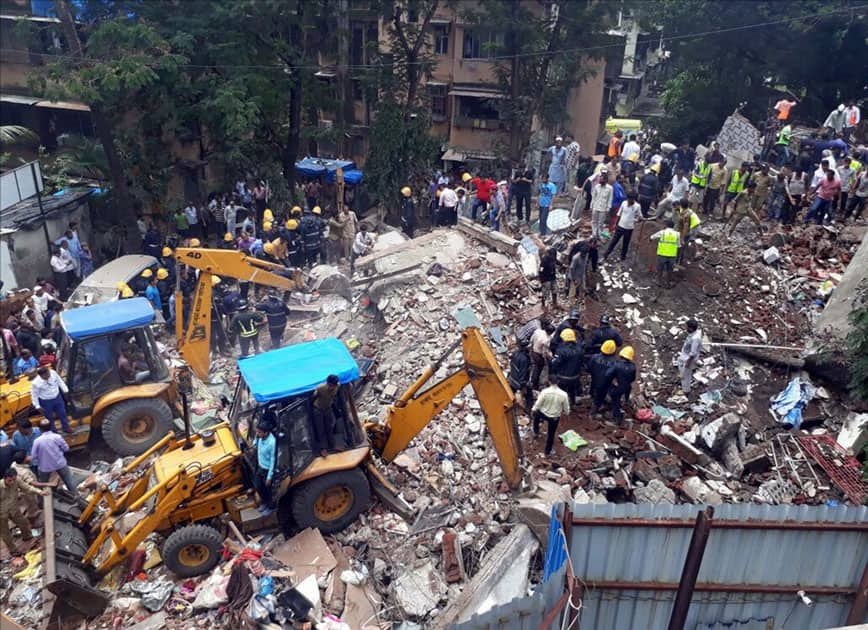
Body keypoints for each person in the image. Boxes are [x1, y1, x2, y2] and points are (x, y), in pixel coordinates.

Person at [1, 467, 46, 556]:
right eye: (10, 480)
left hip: (14, 509)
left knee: (24, 523)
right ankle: (13, 550)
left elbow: (27, 488)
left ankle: (27, 537)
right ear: (5, 478)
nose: (12, 482)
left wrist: (40, 492)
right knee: (5, 533)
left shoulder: (17, 480)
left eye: (14, 480)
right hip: (1, 513)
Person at [30, 420, 76, 491]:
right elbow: (66, 448)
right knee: (69, 481)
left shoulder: (37, 441)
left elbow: (33, 456)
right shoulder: (57, 437)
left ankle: (46, 496)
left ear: (40, 429)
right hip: (60, 464)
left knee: (44, 484)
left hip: (45, 467)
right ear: (51, 427)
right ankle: (76, 495)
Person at [531, 376, 570, 457]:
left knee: (536, 416)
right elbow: (566, 409)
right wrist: (566, 413)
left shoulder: (545, 392)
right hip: (554, 417)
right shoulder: (564, 394)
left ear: (549, 382)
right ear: (558, 382)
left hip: (543, 413)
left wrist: (533, 409)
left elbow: (538, 404)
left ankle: (536, 431)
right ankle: (547, 451)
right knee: (551, 434)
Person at [604, 190, 642, 262]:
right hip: (620, 226)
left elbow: (640, 217)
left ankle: (622, 258)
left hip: (629, 228)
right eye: (628, 199)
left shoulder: (637, 206)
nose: (629, 200)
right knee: (613, 242)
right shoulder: (624, 203)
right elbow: (619, 214)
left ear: (634, 199)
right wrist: (616, 224)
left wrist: (636, 220)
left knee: (625, 244)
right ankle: (605, 255)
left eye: (631, 199)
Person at [30, 366, 70, 433]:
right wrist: (37, 406)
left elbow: (60, 382)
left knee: (62, 413)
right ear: (40, 376)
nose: (48, 376)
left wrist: (66, 390)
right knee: (49, 417)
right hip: (46, 402)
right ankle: (53, 431)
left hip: (57, 398)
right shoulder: (35, 383)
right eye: (45, 376)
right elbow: (34, 395)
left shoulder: (53, 373)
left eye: (48, 374)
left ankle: (66, 428)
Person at [603, 346, 636, 424]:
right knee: (623, 399)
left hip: (618, 387)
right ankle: (624, 407)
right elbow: (633, 378)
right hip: (627, 387)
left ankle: (616, 419)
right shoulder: (633, 366)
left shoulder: (617, 365)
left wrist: (613, 380)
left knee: (615, 402)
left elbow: (607, 374)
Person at [550, 328, 583, 405]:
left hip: (563, 377)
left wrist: (551, 359)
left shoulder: (561, 350)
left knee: (560, 392)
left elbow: (555, 364)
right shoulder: (579, 349)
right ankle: (573, 403)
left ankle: (560, 406)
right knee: (572, 391)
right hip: (575, 377)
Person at [312, 375, 340, 457]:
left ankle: (333, 445)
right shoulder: (320, 388)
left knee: (330, 427)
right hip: (318, 410)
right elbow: (313, 398)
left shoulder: (337, 386)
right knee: (321, 429)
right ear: (327, 383)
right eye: (330, 386)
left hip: (328, 409)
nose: (332, 388)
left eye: (333, 386)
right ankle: (323, 448)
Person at [252, 419, 276, 515]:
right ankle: (265, 503)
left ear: (266, 433)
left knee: (268, 490)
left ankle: (271, 507)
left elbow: (273, 461)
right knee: (258, 486)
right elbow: (254, 445)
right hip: (260, 466)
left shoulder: (272, 443)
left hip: (267, 469)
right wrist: (256, 438)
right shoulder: (259, 438)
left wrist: (269, 477)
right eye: (257, 431)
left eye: (259, 432)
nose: (257, 434)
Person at [588, 339, 618, 414]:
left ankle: (592, 397)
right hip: (605, 384)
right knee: (600, 397)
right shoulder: (614, 363)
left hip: (594, 379)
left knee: (593, 390)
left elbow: (589, 368)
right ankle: (593, 412)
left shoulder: (595, 357)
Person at [649, 219, 680, 288]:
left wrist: (650, 240)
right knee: (669, 270)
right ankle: (667, 283)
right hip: (672, 255)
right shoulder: (677, 234)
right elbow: (678, 246)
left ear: (666, 225)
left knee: (660, 269)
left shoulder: (662, 232)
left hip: (662, 254)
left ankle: (658, 281)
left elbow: (652, 237)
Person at [678, 319, 702, 395]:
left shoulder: (695, 338)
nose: (685, 328)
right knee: (683, 374)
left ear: (691, 328)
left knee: (686, 376)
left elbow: (693, 353)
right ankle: (684, 385)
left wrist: (687, 363)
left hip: (688, 360)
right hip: (684, 356)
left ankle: (686, 391)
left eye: (687, 327)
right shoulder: (692, 335)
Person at [674, 199, 701, 266]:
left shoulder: (686, 215)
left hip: (695, 225)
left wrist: (682, 238)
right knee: (688, 239)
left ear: (680, 205)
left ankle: (697, 252)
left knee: (690, 239)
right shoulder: (685, 210)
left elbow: (685, 227)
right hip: (693, 223)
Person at [507, 340, 533, 408]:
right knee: (529, 395)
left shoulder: (515, 353)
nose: (530, 348)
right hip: (519, 381)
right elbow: (523, 373)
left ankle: (510, 404)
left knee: (511, 393)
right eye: (529, 347)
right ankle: (529, 409)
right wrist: (523, 385)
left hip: (512, 378)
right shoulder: (524, 359)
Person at [530, 319, 553, 390]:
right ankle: (535, 384)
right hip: (538, 355)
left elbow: (531, 340)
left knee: (535, 367)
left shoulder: (538, 331)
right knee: (538, 368)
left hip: (533, 351)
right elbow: (545, 351)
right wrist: (550, 357)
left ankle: (533, 381)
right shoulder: (547, 339)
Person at [588, 171, 613, 239]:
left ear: (605, 180)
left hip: (603, 208)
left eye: (602, 179)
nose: (600, 180)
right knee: (594, 221)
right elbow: (593, 197)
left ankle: (599, 234)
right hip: (595, 207)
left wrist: (608, 208)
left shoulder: (610, 188)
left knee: (600, 223)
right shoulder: (597, 187)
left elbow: (610, 199)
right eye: (600, 179)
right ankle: (594, 234)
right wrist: (591, 206)